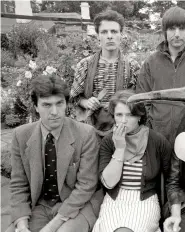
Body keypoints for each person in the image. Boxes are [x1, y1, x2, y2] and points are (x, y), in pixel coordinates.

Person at [8, 74, 102, 232]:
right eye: (46, 105)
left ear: (66, 104)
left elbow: (86, 186)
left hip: (78, 204)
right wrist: (22, 224)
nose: (54, 111)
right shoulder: (21, 135)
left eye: (59, 103)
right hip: (41, 205)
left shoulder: (86, 134)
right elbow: (19, 184)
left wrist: (51, 227)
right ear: (36, 107)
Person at [92, 90, 172, 232]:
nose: (123, 120)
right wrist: (120, 148)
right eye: (119, 115)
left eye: (129, 115)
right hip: (115, 199)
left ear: (139, 116)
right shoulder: (108, 141)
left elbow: (171, 179)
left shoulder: (157, 141)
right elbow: (109, 183)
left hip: (145, 200)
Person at [136, 6, 185, 144]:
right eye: (172, 29)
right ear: (164, 31)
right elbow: (143, 98)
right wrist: (152, 124)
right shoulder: (151, 62)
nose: (177, 34)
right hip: (157, 135)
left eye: (182, 28)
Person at [70, 9, 140, 138]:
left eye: (114, 31)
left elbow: (136, 101)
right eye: (104, 32)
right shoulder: (85, 65)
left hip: (123, 130)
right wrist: (87, 103)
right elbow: (75, 98)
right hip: (91, 129)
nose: (109, 36)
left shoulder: (132, 66)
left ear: (121, 34)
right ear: (98, 36)